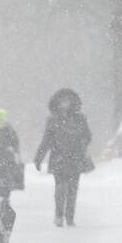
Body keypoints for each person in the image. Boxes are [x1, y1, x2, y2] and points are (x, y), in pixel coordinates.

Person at [33, 88, 91, 227]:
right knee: (60, 188)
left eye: (67, 101)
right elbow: (46, 140)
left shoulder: (80, 119)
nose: (65, 104)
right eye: (62, 101)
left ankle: (70, 217)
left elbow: (87, 136)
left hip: (75, 158)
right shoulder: (52, 120)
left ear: (73, 102)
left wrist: (81, 145)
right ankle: (59, 215)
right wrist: (39, 157)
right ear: (57, 103)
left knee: (72, 189)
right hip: (58, 158)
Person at [0, 107, 24, 239]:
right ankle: (0, 199)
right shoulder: (0, 132)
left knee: (2, 183)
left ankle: (2, 200)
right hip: (0, 163)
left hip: (4, 163)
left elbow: (14, 146)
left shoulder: (5, 132)